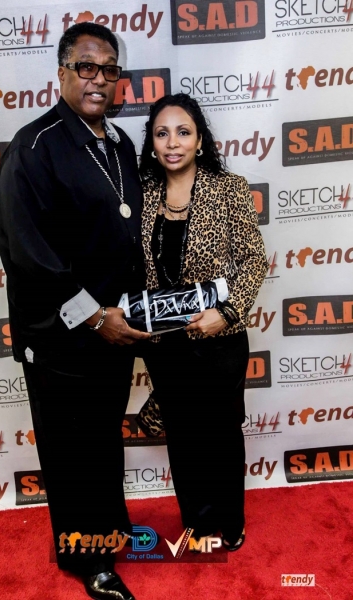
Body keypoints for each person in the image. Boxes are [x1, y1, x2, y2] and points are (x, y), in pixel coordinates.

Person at [0, 22, 149, 600]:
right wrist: (94, 317)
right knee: (70, 451)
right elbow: (30, 255)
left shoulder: (120, 144)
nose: (98, 79)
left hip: (112, 331)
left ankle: (109, 531)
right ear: (62, 74)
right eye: (86, 67)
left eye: (109, 69)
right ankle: (88, 561)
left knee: (102, 441)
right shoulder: (32, 148)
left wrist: (126, 315)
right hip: (63, 336)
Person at [139, 93, 268, 551]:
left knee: (221, 433)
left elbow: (253, 261)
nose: (172, 143)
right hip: (166, 345)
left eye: (183, 132)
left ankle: (230, 521)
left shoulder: (229, 188)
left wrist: (226, 314)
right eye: (162, 133)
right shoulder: (141, 193)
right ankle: (196, 520)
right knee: (183, 435)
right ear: (152, 142)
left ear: (199, 140)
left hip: (219, 340)